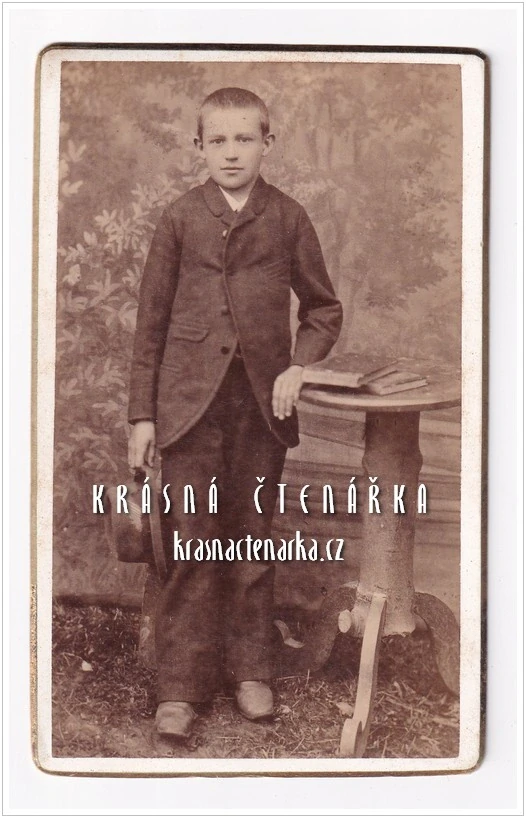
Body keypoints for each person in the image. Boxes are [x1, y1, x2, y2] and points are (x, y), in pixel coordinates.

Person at [128, 87, 343, 740]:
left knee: (251, 536)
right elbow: (150, 326)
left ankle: (252, 670)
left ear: (266, 144)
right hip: (188, 408)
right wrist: (142, 418)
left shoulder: (288, 218)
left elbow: (323, 309)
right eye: (217, 140)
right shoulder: (179, 218)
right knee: (192, 540)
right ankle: (181, 687)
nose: (231, 152)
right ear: (199, 147)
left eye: (244, 139)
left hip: (260, 407)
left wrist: (298, 366)